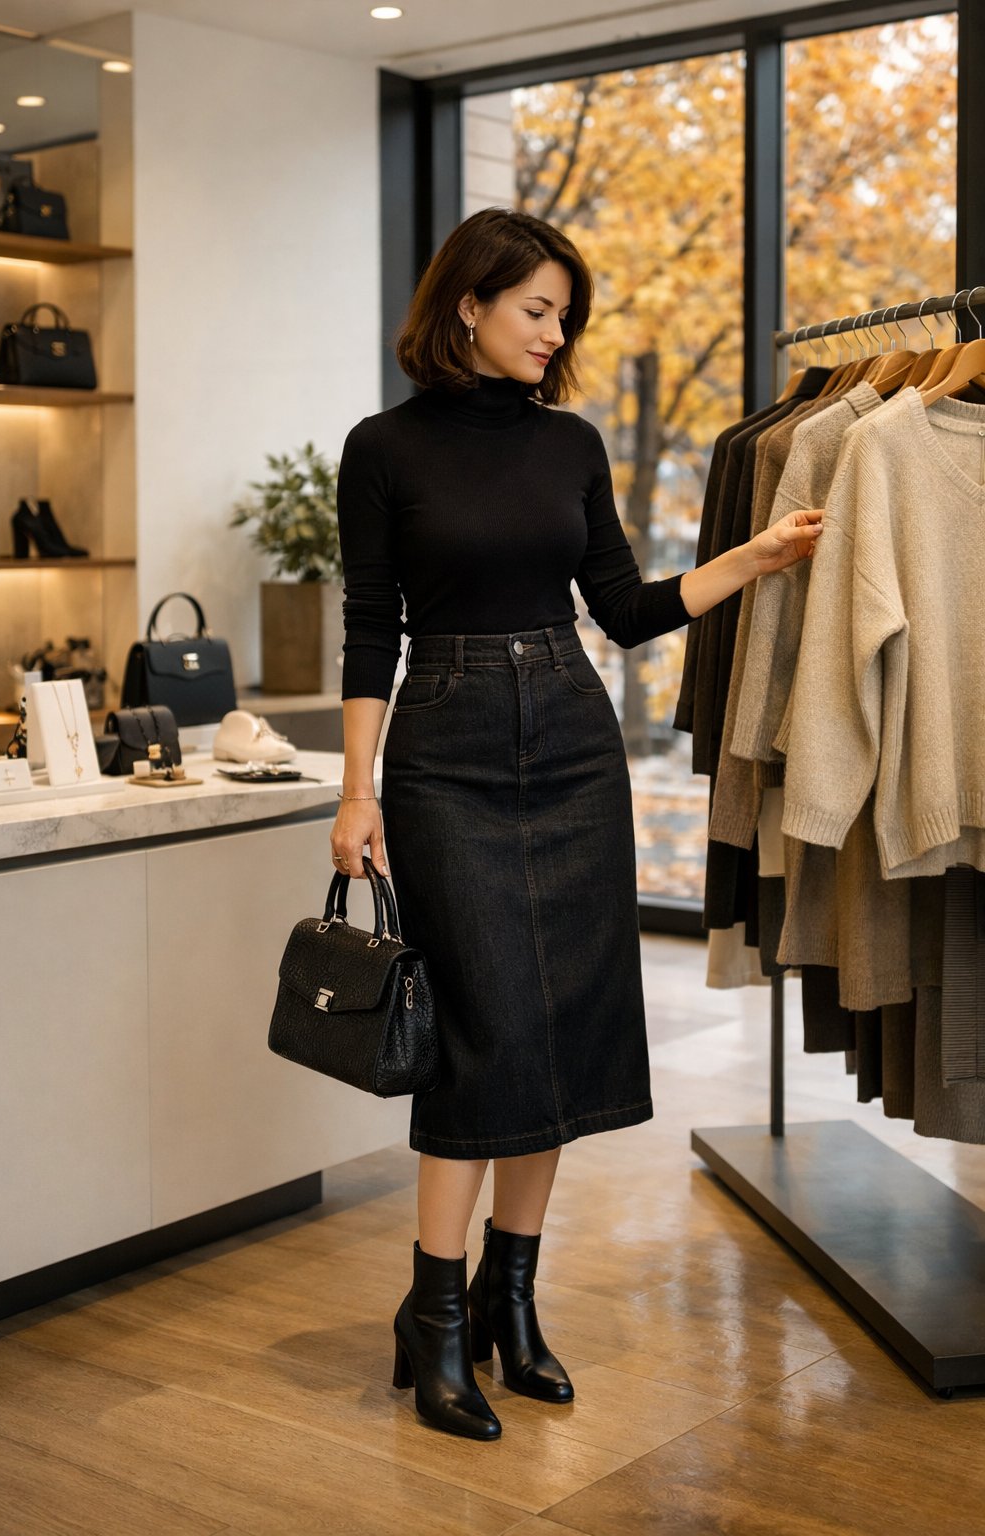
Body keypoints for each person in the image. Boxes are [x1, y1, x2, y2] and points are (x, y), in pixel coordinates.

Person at [331, 207, 821, 1441]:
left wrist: (754, 555)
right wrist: (355, 790)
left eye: (564, 315)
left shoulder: (572, 444)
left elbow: (624, 609)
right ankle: (433, 1317)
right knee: (483, 1028)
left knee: (563, 1024)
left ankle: (512, 1300)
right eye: (537, 310)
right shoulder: (380, 448)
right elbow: (369, 633)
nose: (555, 335)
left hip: (568, 729)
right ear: (467, 307)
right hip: (440, 748)